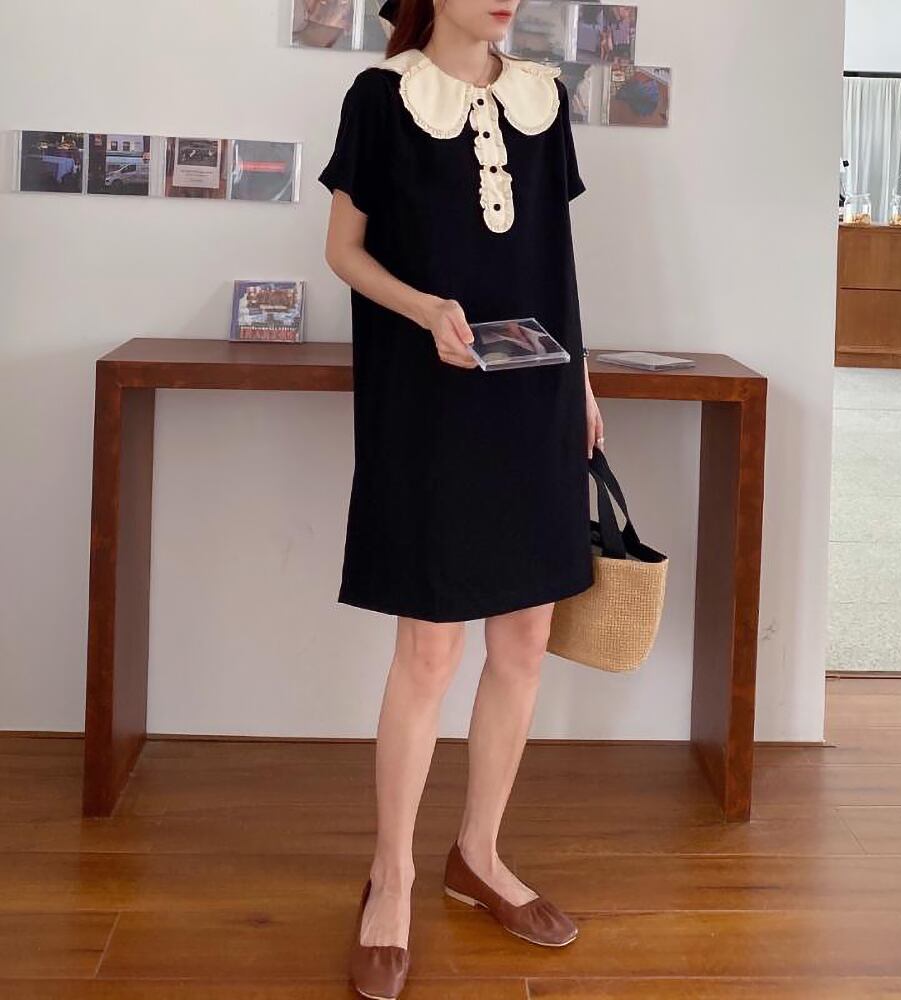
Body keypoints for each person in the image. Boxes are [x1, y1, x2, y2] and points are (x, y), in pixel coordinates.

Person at [319, 0, 605, 996]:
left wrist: (583, 385)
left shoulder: (544, 99)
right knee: (431, 648)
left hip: (535, 394)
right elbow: (343, 251)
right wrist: (425, 309)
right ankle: (392, 875)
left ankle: (477, 853)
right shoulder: (380, 98)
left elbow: (557, 262)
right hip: (429, 398)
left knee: (524, 639)